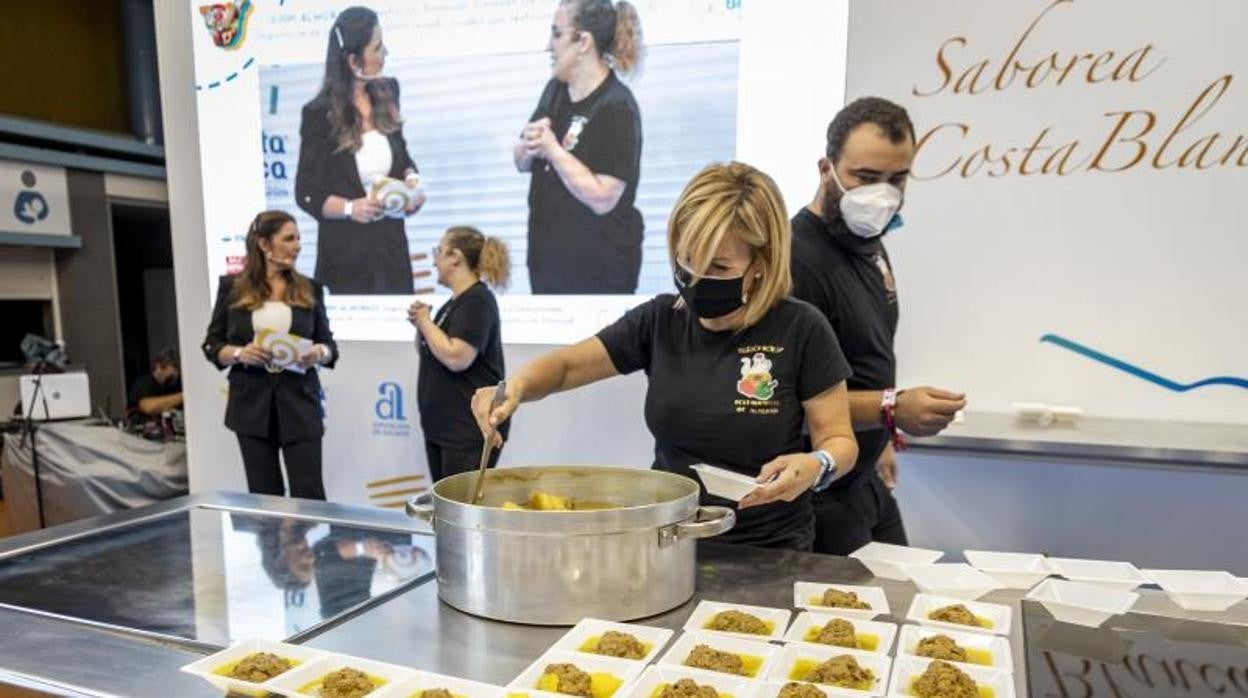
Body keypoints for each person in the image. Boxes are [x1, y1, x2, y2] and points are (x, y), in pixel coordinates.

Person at [473, 162, 859, 550]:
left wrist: (816, 465)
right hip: (669, 541)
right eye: (686, 259)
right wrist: (516, 387)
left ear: (760, 265)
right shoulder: (660, 321)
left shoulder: (801, 329)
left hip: (769, 549)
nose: (694, 277)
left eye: (719, 266)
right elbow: (565, 368)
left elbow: (840, 441)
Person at [790, 97, 967, 555]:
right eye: (865, 178)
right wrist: (891, 409)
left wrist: (882, 434)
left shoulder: (869, 244)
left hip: (865, 475)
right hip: (819, 494)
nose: (882, 195)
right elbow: (792, 398)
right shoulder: (795, 260)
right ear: (826, 168)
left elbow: (865, 355)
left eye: (897, 179)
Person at [202, 210, 338, 500]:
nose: (297, 246)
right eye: (289, 238)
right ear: (264, 244)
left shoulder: (311, 289)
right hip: (251, 408)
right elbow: (213, 346)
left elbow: (329, 346)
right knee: (263, 497)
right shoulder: (231, 288)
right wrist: (240, 353)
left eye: (299, 238)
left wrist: (318, 353)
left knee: (310, 493)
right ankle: (272, 547)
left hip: (300, 405)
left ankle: (309, 547)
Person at [515, 0, 645, 293]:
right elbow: (522, 160)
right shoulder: (555, 91)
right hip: (548, 267)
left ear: (583, 41)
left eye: (557, 34)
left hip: (599, 275)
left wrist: (552, 149)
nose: (549, 46)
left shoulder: (617, 107)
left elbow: (603, 198)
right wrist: (527, 145)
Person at [295, 6, 426, 295]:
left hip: (391, 249)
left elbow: (403, 157)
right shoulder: (318, 114)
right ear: (354, 61)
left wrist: (413, 185)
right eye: (377, 48)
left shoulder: (388, 91)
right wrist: (351, 208)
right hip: (346, 256)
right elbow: (306, 192)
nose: (385, 53)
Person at [408, 226, 512, 481]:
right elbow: (431, 352)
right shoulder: (454, 303)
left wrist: (425, 323)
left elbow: (457, 357)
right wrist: (424, 326)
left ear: (455, 257)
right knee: (447, 514)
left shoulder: (476, 301)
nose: (434, 260)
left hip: (465, 433)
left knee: (463, 515)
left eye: (439, 251)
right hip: (443, 430)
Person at [127, 348, 183, 416]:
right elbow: (148, 407)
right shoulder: (144, 383)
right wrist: (182, 396)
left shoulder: (172, 387)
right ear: (158, 366)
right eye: (169, 377)